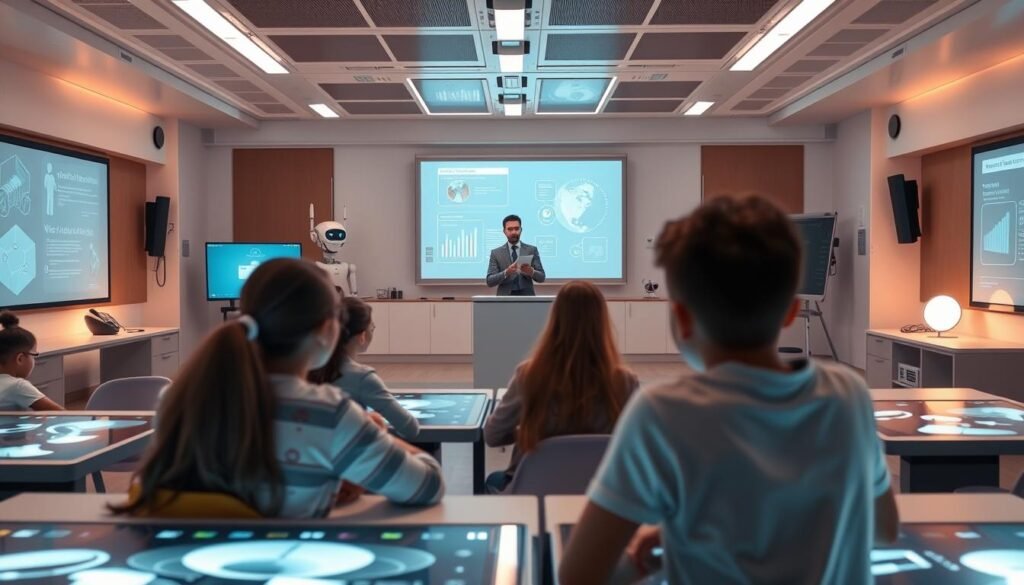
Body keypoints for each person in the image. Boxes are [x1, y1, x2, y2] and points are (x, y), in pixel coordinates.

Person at [559, 196, 899, 585]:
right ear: (790, 310)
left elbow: (577, 574)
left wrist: (663, 551)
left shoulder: (663, 411)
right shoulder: (848, 396)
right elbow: (883, 529)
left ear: (681, 318)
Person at [113, 258, 443, 518]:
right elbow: (427, 485)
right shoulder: (330, 413)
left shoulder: (178, 399)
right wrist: (374, 439)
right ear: (327, 329)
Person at [483, 280, 637, 492]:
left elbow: (492, 436)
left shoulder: (529, 375)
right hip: (601, 494)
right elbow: (637, 446)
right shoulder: (626, 381)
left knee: (494, 481)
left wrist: (525, 429)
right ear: (602, 320)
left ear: (555, 319)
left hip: (533, 491)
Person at [309, 297, 419, 439]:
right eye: (372, 328)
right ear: (362, 336)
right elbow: (410, 429)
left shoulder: (305, 368)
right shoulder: (362, 378)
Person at [0, 311, 62, 411]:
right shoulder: (18, 386)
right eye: (34, 355)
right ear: (20, 359)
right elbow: (62, 415)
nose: (34, 361)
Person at [486, 214, 546, 296]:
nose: (514, 232)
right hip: (504, 299)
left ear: (521, 230)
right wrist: (506, 272)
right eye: (510, 229)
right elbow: (490, 281)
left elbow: (542, 277)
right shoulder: (496, 253)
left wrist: (531, 271)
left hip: (527, 299)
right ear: (504, 231)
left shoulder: (531, 250)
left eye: (517, 229)